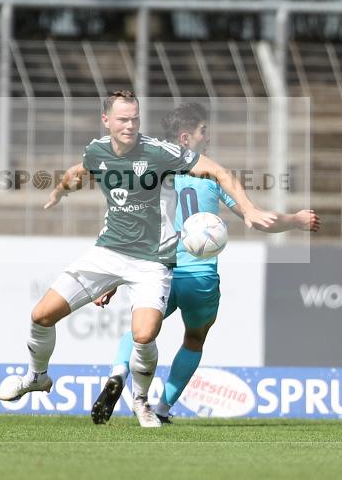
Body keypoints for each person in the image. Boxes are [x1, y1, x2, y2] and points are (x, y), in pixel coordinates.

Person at [0, 90, 277, 428]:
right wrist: (59, 191)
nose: (130, 125)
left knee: (143, 335)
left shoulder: (160, 152)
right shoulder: (97, 150)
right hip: (107, 252)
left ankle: (141, 402)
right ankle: (37, 376)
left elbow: (219, 171)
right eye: (122, 119)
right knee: (41, 315)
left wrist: (248, 209)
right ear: (106, 121)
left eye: (134, 119)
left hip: (152, 261)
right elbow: (79, 171)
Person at [90, 102, 320, 424]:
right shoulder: (212, 177)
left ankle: (117, 373)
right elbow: (258, 219)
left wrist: (111, 282)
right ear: (186, 138)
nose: (207, 138)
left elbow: (132, 231)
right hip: (200, 278)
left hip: (160, 273)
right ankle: (163, 407)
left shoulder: (153, 177)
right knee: (194, 339)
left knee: (141, 331)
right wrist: (294, 220)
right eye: (203, 132)